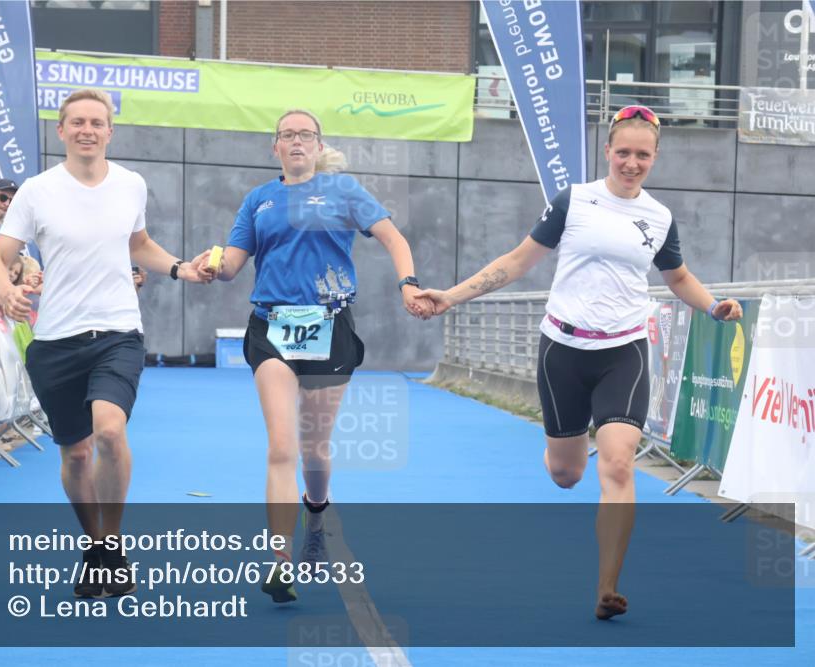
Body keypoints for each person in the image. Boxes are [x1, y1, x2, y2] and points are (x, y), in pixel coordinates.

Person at [419, 105, 744, 620]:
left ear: (655, 157)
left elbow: (678, 277)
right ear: (607, 151)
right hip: (563, 350)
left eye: (642, 155)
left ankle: (607, 587)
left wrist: (713, 306)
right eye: (623, 152)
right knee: (566, 473)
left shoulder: (659, 217)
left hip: (624, 350)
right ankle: (563, 455)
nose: (631, 163)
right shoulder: (574, 201)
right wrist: (450, 297)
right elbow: (517, 261)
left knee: (617, 462)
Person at [0, 88, 216, 599]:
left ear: (110, 131)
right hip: (55, 340)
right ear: (61, 130)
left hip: (117, 332)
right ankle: (95, 547)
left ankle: (112, 543)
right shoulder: (37, 191)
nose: (87, 130)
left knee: (110, 432)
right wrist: (4, 291)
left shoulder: (131, 184)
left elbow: (139, 244)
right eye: (78, 122)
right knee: (75, 455)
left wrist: (180, 268)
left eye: (96, 122)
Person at [213, 109, 429, 604]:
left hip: (328, 328)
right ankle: (279, 560)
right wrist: (209, 265)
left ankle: (316, 514)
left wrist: (408, 283)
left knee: (314, 447)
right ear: (275, 146)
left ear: (317, 144)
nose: (296, 141)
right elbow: (231, 265)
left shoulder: (343, 190)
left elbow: (394, 238)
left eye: (305, 135)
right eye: (287, 134)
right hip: (271, 327)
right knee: (281, 446)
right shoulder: (259, 199)